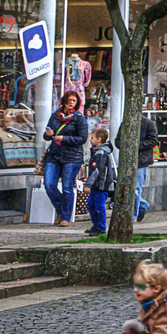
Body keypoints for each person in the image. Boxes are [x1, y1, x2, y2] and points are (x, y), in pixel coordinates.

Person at [41, 90, 87, 227]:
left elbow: (82, 138)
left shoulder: (79, 118)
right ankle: (61, 210)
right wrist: (48, 134)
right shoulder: (55, 115)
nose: (71, 103)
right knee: (49, 184)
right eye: (69, 100)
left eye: (74, 101)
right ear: (64, 101)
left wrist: (65, 139)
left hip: (72, 156)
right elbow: (47, 136)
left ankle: (65, 217)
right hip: (54, 154)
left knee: (67, 187)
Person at [85, 127, 118, 236]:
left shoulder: (101, 153)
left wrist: (88, 184)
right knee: (91, 205)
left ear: (99, 139)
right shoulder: (98, 152)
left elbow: (97, 170)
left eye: (92, 138)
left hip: (101, 185)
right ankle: (96, 225)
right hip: (97, 185)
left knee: (98, 206)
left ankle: (100, 227)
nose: (90, 140)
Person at [135, 112, 159, 222]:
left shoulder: (148, 123)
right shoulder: (125, 123)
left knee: (136, 189)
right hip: (129, 161)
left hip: (142, 161)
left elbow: (154, 140)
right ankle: (143, 204)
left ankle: (134, 215)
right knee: (131, 189)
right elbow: (118, 140)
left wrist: (138, 145)